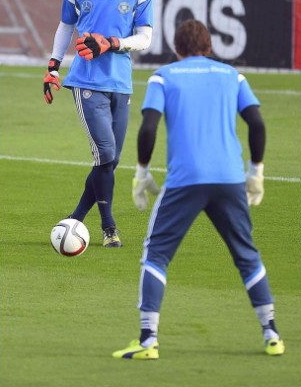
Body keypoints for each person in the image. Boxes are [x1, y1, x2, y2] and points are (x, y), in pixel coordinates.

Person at [112, 19, 285, 359]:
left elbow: (149, 126)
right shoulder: (232, 76)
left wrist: (142, 172)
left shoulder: (164, 76)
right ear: (209, 46)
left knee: (156, 254)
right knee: (247, 256)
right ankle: (272, 333)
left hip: (185, 180)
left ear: (177, 48)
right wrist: (256, 172)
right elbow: (257, 123)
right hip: (229, 178)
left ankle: (148, 340)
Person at [43, 0, 153, 247]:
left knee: (110, 160)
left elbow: (145, 38)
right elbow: (66, 26)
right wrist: (53, 66)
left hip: (121, 83)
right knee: (105, 153)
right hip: (87, 82)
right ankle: (108, 227)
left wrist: (113, 43)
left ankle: (74, 220)